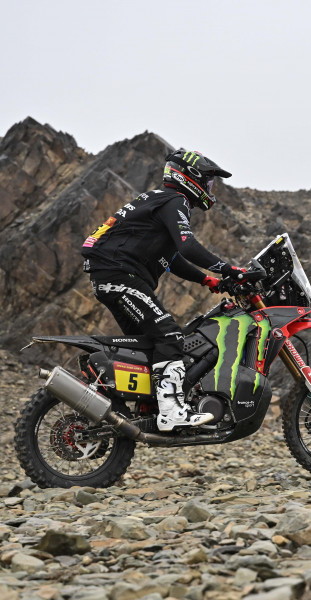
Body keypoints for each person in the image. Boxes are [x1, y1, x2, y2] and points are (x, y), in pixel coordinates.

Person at [81, 148, 252, 430]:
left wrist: (207, 280)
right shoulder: (176, 200)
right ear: (190, 177)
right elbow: (188, 245)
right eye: (208, 181)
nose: (210, 188)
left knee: (152, 346)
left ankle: (145, 410)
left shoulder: (159, 200)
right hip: (120, 275)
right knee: (170, 335)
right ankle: (171, 412)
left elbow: (171, 258)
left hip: (112, 275)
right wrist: (228, 269)